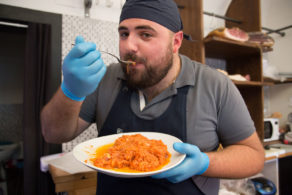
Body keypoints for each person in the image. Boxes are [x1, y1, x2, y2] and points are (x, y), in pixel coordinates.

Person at [41, 0, 265, 194]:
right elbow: (53, 134)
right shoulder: (106, 78)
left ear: (176, 42)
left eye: (145, 34)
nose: (129, 46)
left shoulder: (215, 85)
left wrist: (204, 163)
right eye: (124, 34)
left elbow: (254, 156)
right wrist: (71, 90)